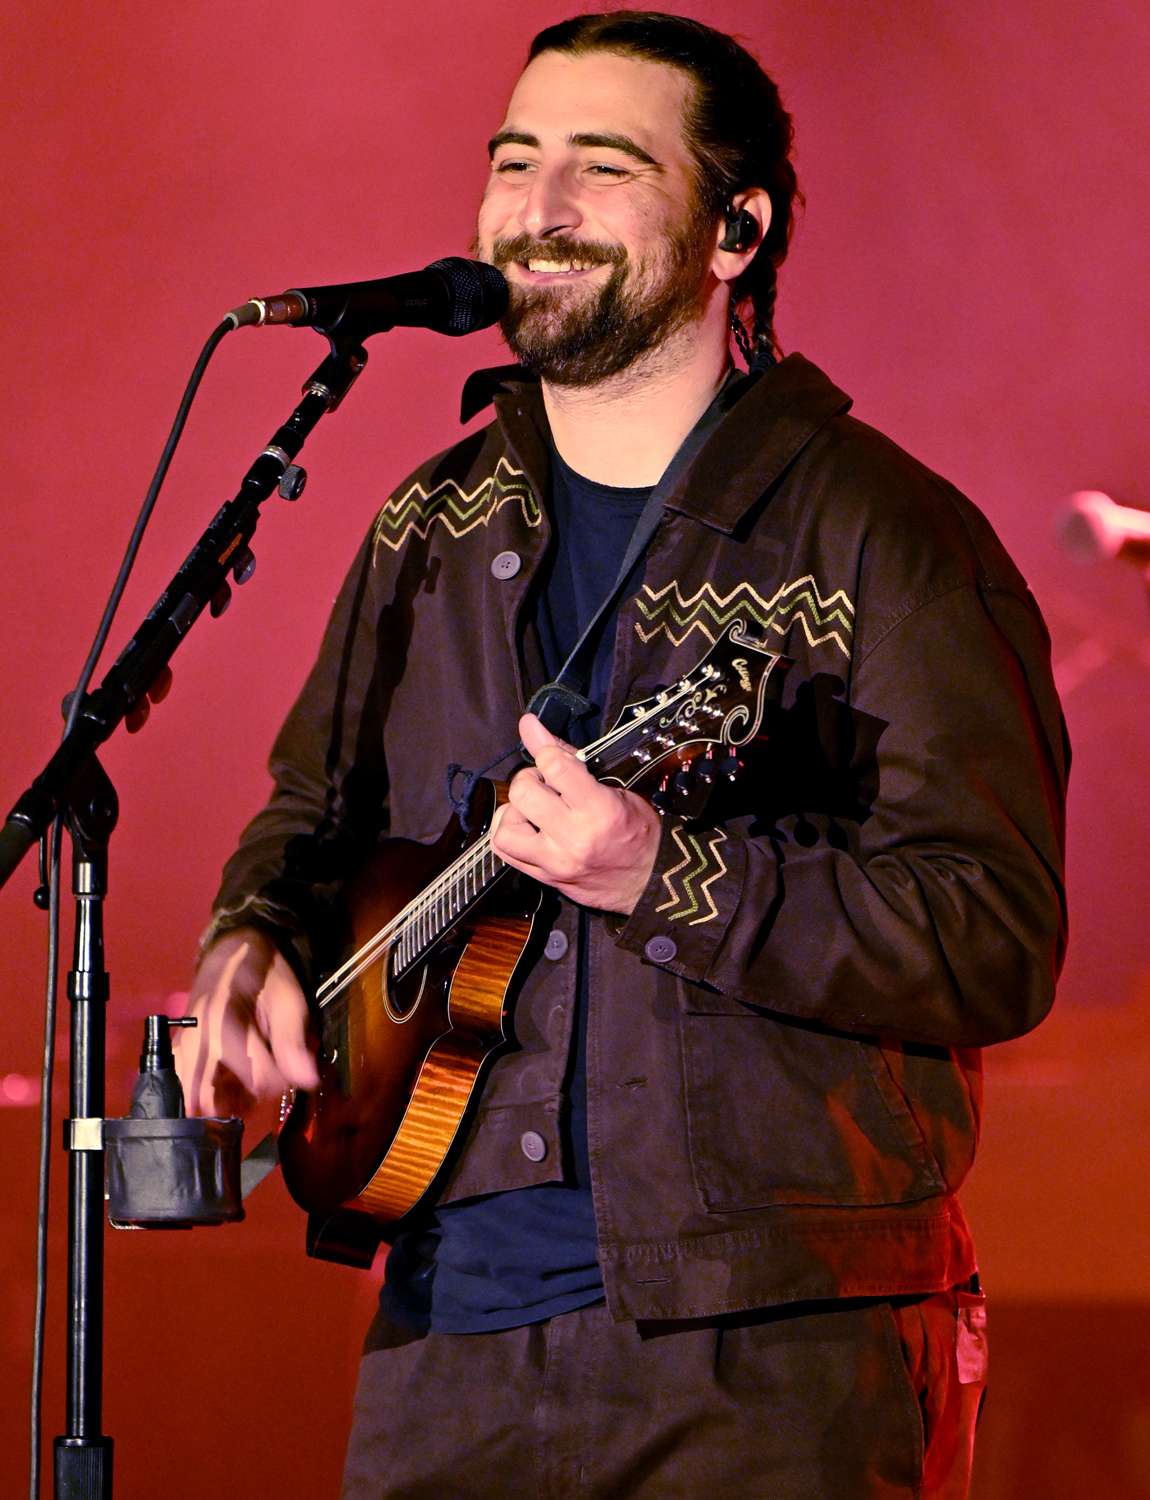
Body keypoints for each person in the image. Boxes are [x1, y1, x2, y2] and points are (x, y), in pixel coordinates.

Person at [176, 12, 1069, 1497]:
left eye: (602, 167)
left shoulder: (886, 539)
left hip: (767, 1355)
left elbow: (991, 936)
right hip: (441, 1337)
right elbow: (304, 818)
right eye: (515, 162)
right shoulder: (427, 528)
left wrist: (668, 871)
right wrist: (244, 945)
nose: (540, 207)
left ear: (737, 227)